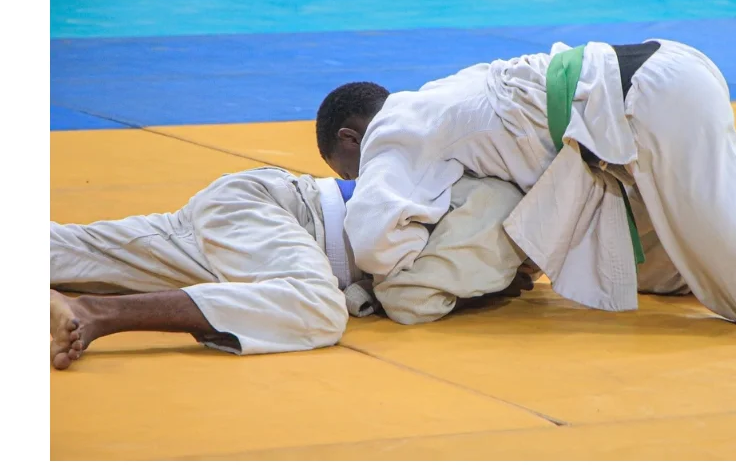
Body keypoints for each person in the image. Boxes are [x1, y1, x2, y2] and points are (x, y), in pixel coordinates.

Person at [315, 39, 736, 335]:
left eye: (349, 171)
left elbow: (374, 242)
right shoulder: (438, 101)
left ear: (350, 137)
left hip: (641, 108)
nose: (359, 182)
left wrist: (366, 289)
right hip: (655, 84)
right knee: (671, 270)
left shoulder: (390, 131)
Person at [50, 168, 535, 370]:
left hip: (257, 219)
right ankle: (97, 312)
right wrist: (487, 289)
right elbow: (407, 302)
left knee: (79, 250)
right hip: (284, 216)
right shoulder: (505, 208)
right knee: (319, 310)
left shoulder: (505, 209)